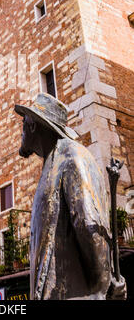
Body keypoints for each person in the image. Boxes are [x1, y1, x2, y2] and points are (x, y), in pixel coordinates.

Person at [15, 93, 126, 300]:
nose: (20, 130)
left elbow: (88, 224)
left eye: (23, 122)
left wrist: (103, 289)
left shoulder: (72, 156)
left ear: (33, 125)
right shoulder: (52, 162)